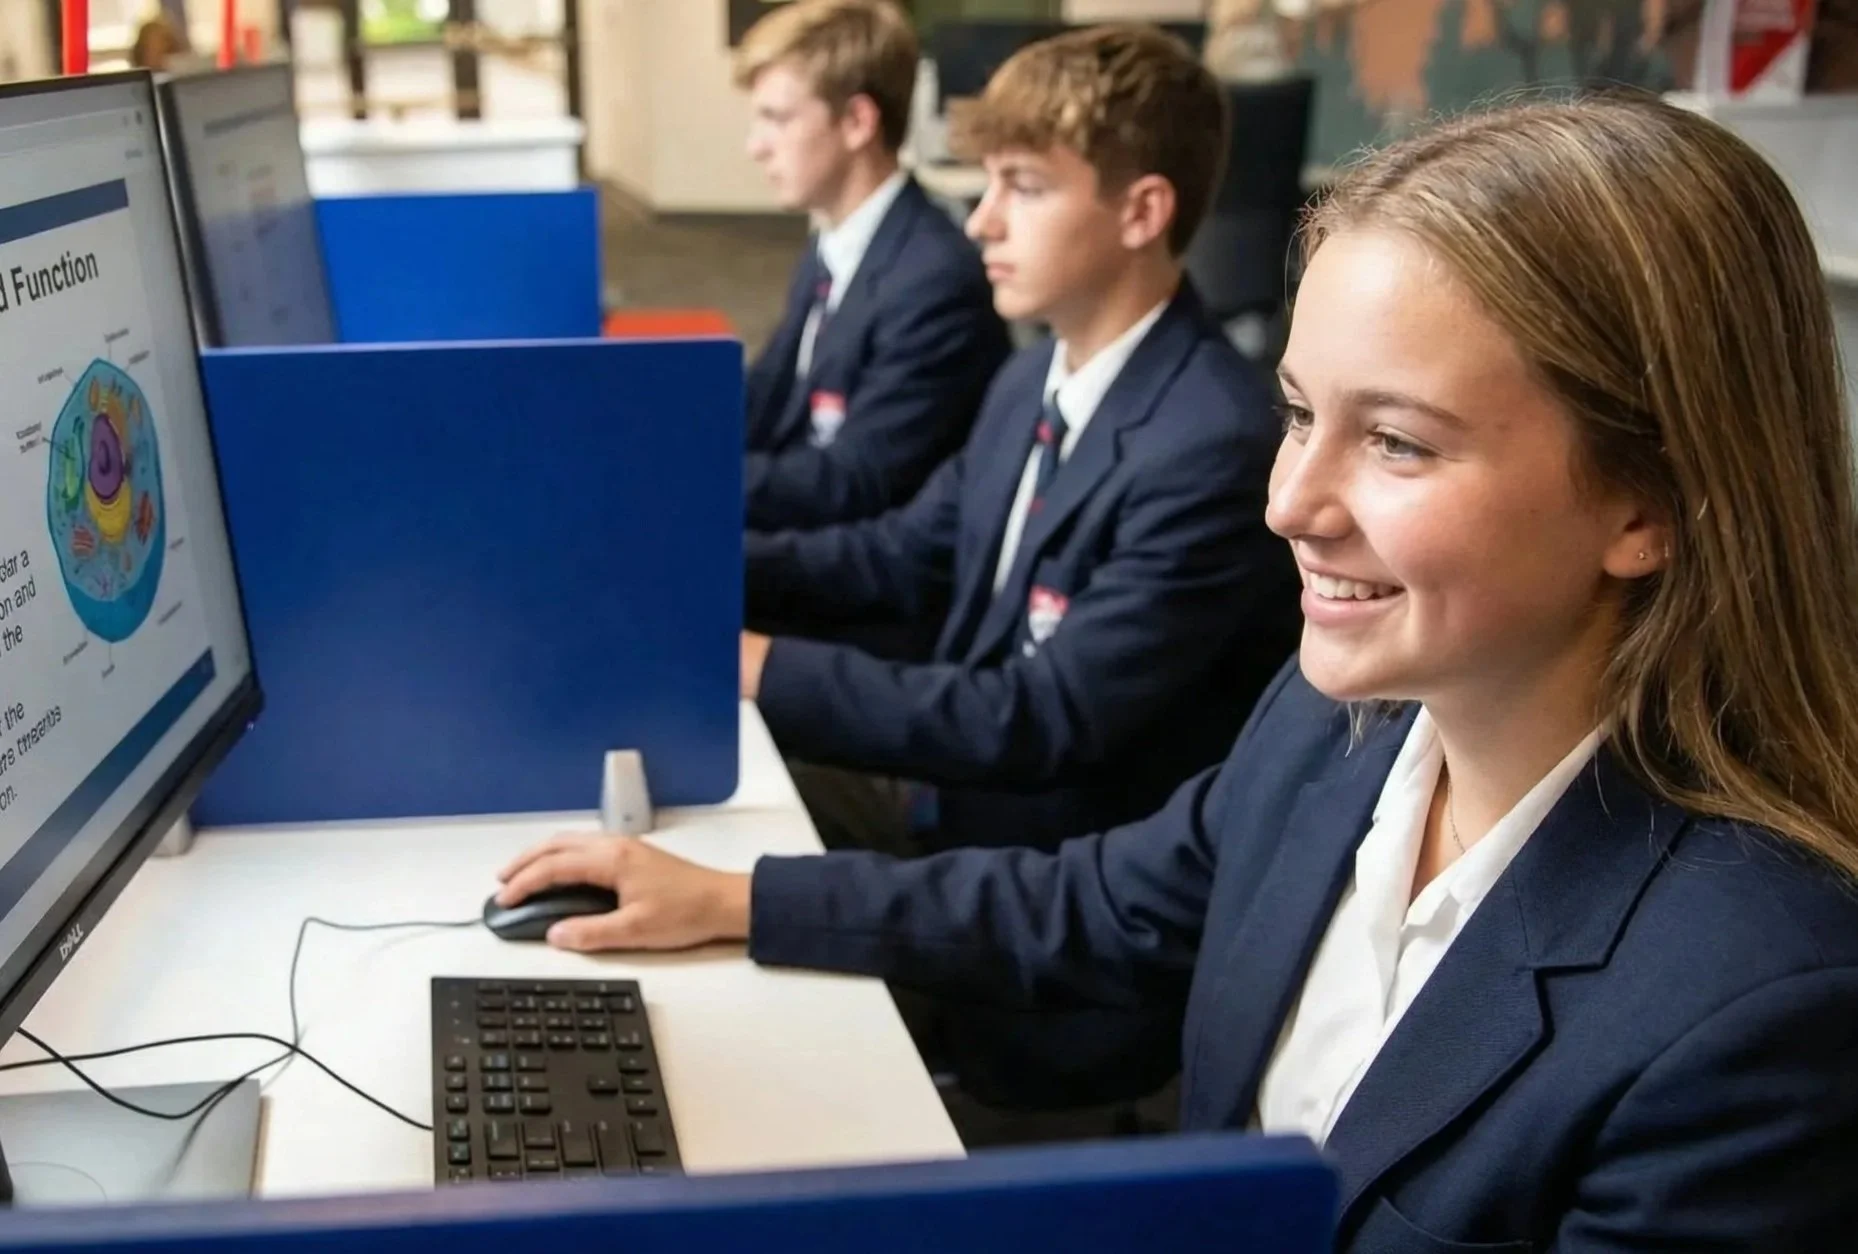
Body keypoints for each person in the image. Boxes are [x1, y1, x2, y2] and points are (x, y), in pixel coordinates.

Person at [497, 93, 1858, 1247]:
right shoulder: (1352, 726)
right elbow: (1092, 902)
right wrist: (737, 898)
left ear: (1647, 504)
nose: (1290, 503)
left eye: (1396, 442)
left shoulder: (1760, 1010)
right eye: (1298, 415)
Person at [736, 25, 1300, 1111]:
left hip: (1055, 940)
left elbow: (1035, 719)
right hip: (962, 825)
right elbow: (898, 555)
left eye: (1024, 188)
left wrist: (760, 671)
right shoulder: (1033, 374)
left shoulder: (1208, 446)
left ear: (1142, 212)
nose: (981, 221)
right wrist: (706, 580)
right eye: (987, 184)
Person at [736, 0, 1010, 533]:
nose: (755, 147)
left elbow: (855, 482)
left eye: (778, 118)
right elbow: (768, 397)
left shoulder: (934, 281)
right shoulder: (833, 243)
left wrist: (689, 479)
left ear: (858, 121)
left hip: (865, 575)